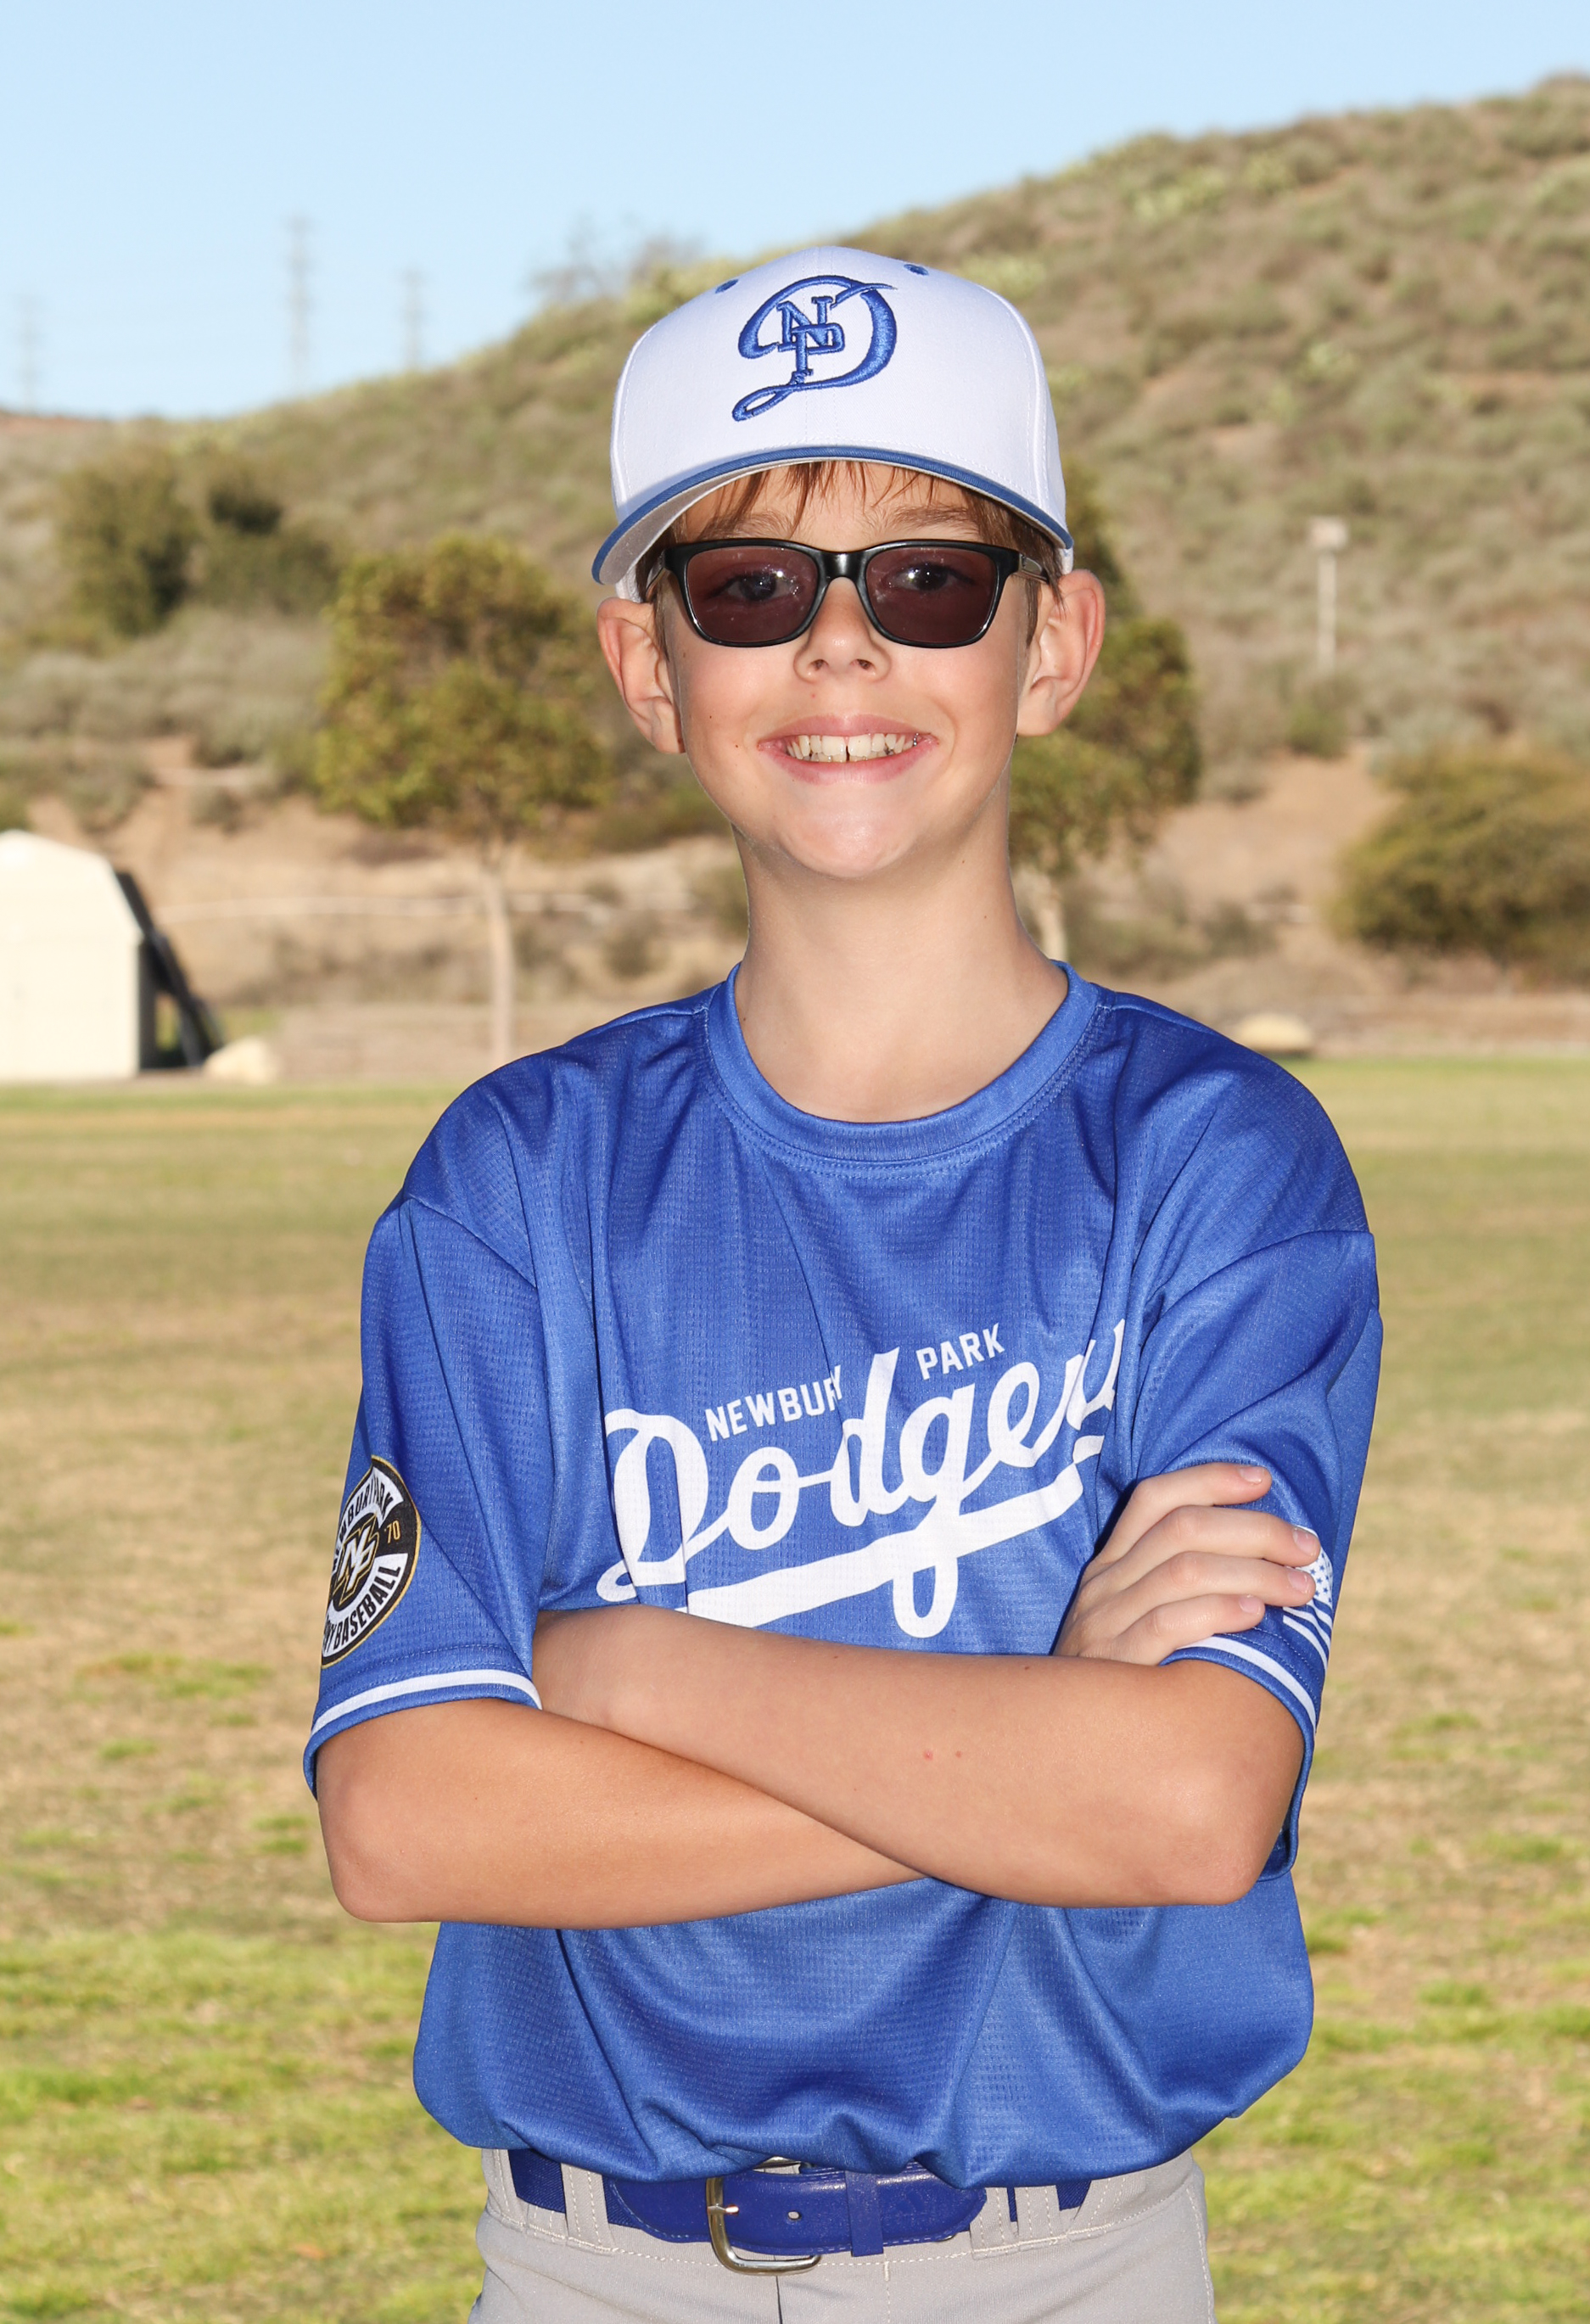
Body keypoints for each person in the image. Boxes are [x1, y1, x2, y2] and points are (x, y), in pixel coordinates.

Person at [309, 247, 1381, 2323]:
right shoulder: (518, 1177)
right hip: (599, 2267)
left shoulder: (1216, 1159)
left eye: (928, 581)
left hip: (1064, 2262)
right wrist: (1034, 1732)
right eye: (748, 589)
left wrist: (622, 1666)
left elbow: (1185, 1800)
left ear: (1052, 643)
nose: (840, 648)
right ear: (650, 667)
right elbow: (410, 1817)